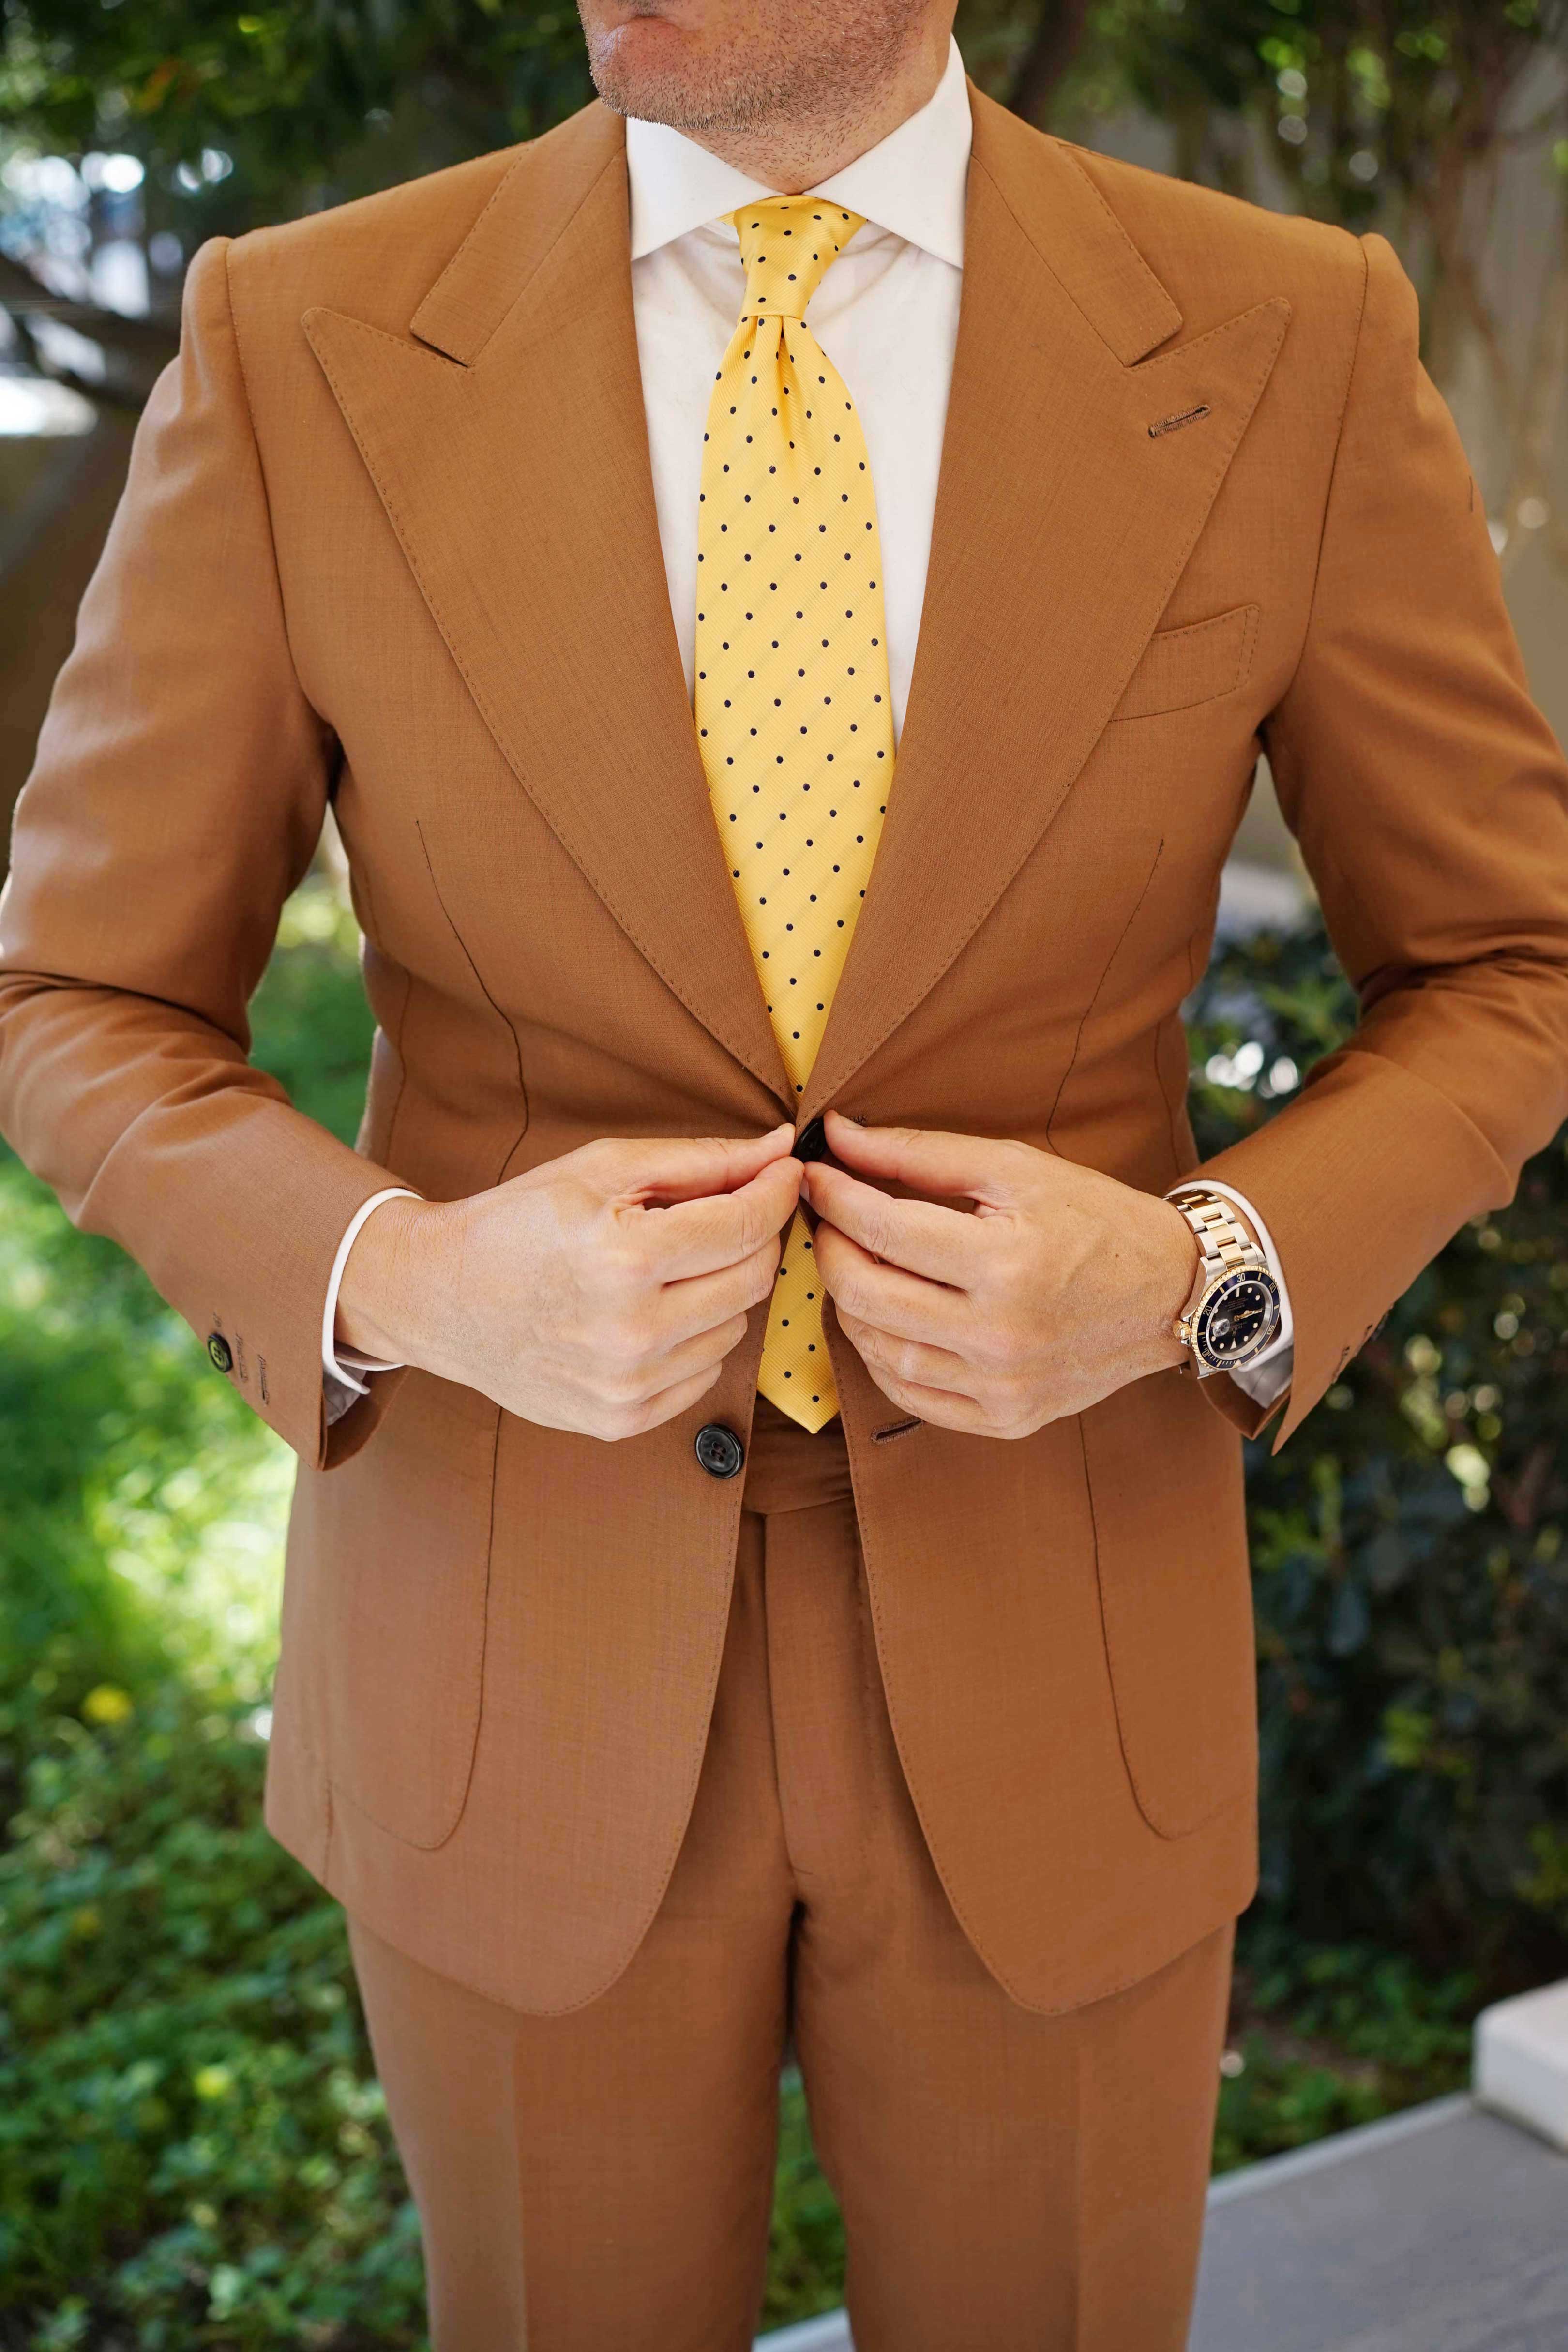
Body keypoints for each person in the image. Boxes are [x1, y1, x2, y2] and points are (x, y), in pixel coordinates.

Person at [3, 0, 1567, 2342]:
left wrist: (1204, 1272)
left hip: (1069, 1639)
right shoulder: (301, 330)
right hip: (506, 1654)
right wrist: (406, 1276)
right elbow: (76, 999)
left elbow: (1510, 963)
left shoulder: (1286, 333)